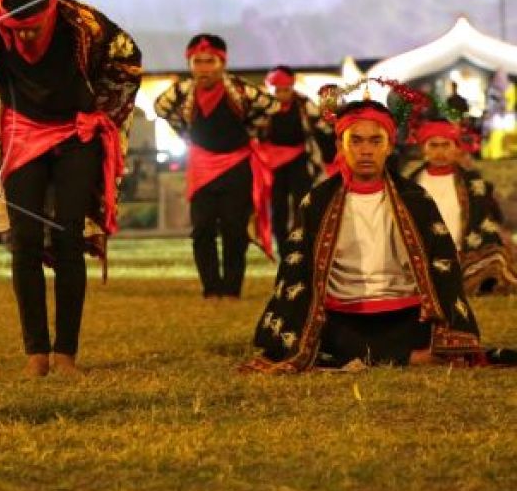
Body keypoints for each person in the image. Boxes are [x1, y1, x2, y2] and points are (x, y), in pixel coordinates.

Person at [0, 0, 142, 377]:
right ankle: (36, 352)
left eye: (32, 27)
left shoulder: (86, 25)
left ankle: (66, 354)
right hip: (22, 135)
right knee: (23, 241)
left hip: (74, 134)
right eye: (17, 28)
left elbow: (128, 60)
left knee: (67, 234)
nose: (24, 35)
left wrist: (101, 113)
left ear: (51, 7)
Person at [244, 101, 490, 372]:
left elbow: (443, 267)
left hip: (404, 312)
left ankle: (378, 353)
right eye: (356, 141)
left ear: (389, 145)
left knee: (422, 333)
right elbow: (295, 270)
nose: (366, 151)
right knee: (320, 335)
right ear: (340, 146)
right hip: (340, 313)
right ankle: (406, 356)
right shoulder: (317, 201)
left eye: (375, 141)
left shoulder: (416, 198)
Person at [154, 35, 275, 299]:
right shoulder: (182, 91)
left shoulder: (239, 90)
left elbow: (271, 106)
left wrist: (250, 131)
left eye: (210, 61)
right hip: (201, 166)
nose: (204, 68)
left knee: (234, 229)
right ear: (190, 63)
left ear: (222, 63)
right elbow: (160, 108)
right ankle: (211, 288)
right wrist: (184, 133)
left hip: (236, 165)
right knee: (202, 230)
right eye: (198, 62)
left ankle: (231, 289)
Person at [406, 118, 517, 294]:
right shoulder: (412, 185)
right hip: (424, 256)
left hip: (463, 254)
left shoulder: (472, 182)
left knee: (496, 258)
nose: (440, 152)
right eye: (433, 146)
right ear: (423, 149)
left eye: (445, 145)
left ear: (456, 148)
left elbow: (484, 220)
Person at [260, 66, 333, 253]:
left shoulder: (304, 104)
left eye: (286, 89)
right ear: (270, 88)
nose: (282, 94)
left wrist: (330, 153)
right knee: (278, 208)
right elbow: (250, 131)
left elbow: (324, 129)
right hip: (272, 165)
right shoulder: (262, 106)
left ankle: (302, 246)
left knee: (302, 204)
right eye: (277, 90)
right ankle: (283, 251)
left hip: (300, 161)